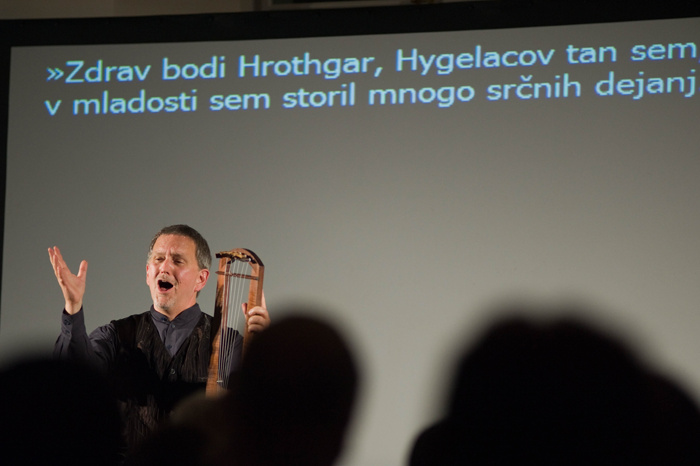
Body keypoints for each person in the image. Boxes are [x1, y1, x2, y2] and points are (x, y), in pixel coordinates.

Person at [50, 224, 270, 453]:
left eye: (178, 261)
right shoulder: (116, 334)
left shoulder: (228, 344)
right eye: (158, 259)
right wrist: (73, 308)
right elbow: (75, 376)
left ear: (201, 279)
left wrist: (269, 350)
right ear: (148, 273)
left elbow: (263, 410)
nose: (164, 267)